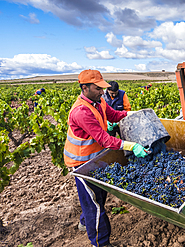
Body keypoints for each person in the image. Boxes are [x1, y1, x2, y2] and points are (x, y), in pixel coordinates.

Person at [63, 69, 149, 247]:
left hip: (95, 158)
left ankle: (85, 222)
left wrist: (136, 114)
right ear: (84, 88)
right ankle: (101, 243)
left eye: (102, 88)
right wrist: (132, 145)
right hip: (81, 164)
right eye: (98, 89)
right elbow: (104, 139)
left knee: (96, 198)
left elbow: (114, 115)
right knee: (94, 206)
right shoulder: (81, 112)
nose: (102, 92)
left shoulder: (99, 101)